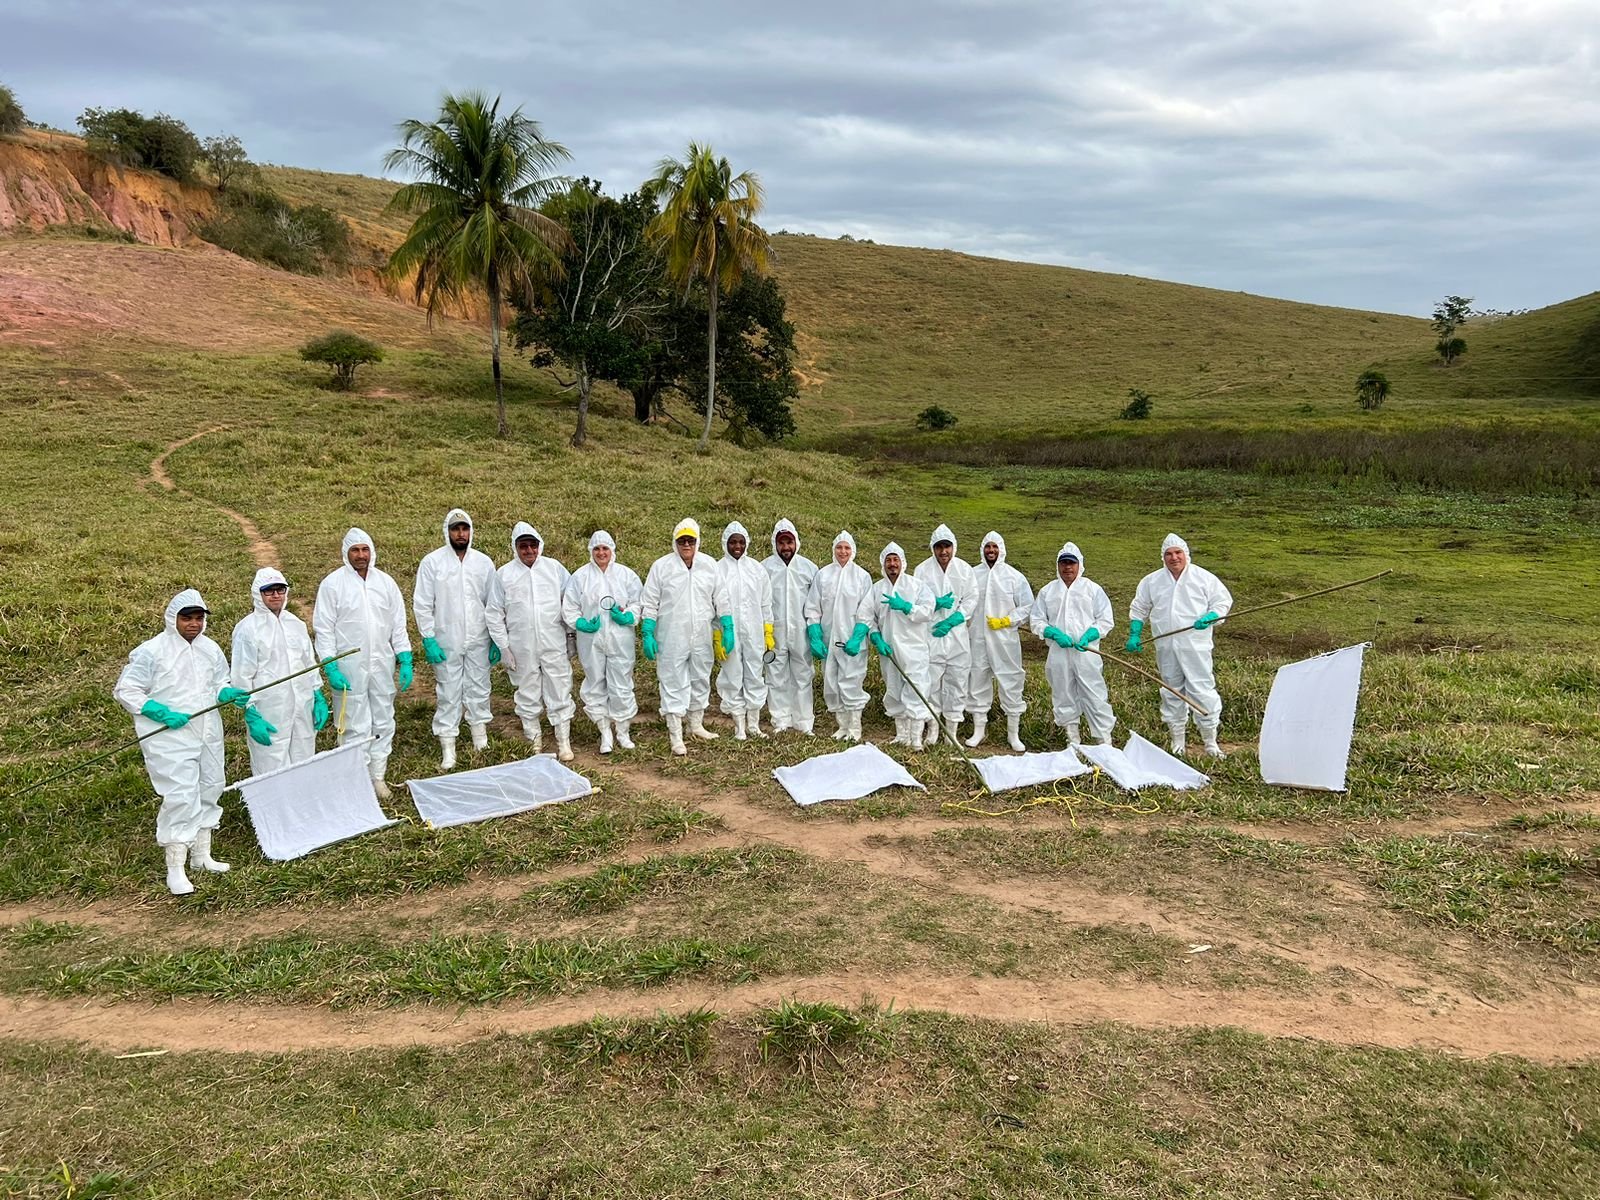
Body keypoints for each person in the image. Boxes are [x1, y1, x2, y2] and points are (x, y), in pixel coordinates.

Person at [113, 589, 250, 895]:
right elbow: (127, 689)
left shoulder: (210, 649)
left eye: (199, 618)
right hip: (170, 736)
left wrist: (225, 693)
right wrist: (157, 710)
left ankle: (202, 856)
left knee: (210, 786)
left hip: (207, 732)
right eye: (187, 618)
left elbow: (218, 682)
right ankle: (175, 867)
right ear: (172, 618)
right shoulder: (152, 651)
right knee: (181, 795)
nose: (193, 624)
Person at [313, 527, 413, 800]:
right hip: (348, 665)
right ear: (346, 553)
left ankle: (377, 776)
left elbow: (397, 625)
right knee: (352, 722)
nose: (360, 555)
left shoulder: (386, 583)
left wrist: (404, 656)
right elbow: (324, 629)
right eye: (355, 550)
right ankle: (355, 780)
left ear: (372, 551)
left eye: (364, 549)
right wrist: (330, 665)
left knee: (383, 718)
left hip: (382, 662)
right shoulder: (332, 585)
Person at [1127, 532, 1234, 756]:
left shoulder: (1203, 578)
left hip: (1195, 645)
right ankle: (1178, 740)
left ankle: (1210, 741)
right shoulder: (1152, 581)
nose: (1174, 558)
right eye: (1169, 554)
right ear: (1163, 557)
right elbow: (1139, 608)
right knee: (1171, 689)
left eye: (1178, 553)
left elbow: (1222, 601)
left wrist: (1211, 616)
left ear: (1186, 554)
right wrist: (1135, 633)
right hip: (1165, 645)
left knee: (1202, 688)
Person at [414, 508, 498, 769]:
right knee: (449, 691)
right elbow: (422, 603)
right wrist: (428, 637)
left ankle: (479, 740)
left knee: (479, 687)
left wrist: (495, 636)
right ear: (447, 531)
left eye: (464, 528)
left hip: (479, 638)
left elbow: (493, 602)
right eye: (455, 529)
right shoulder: (432, 562)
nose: (460, 534)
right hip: (446, 639)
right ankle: (448, 747)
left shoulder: (483, 563)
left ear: (471, 531)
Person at [486, 522, 575, 761]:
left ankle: (563, 741)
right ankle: (533, 740)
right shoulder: (504, 574)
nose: (528, 550)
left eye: (532, 545)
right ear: (515, 547)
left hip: (553, 641)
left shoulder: (554, 569)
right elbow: (494, 612)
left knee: (559, 686)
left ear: (539, 545)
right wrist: (503, 646)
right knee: (527, 690)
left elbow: (570, 601)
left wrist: (570, 636)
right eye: (523, 546)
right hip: (521, 645)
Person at [640, 517, 726, 756]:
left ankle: (695, 724)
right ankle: (675, 734)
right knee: (673, 680)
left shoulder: (709, 565)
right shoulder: (662, 567)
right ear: (675, 542)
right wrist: (647, 630)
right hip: (671, 635)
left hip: (702, 634)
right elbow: (650, 601)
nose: (686, 545)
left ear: (697, 541)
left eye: (690, 540)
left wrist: (726, 626)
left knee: (700, 677)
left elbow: (721, 597)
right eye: (682, 541)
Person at [231, 567, 327, 777]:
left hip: (302, 705)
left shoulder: (296, 624)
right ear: (258, 593)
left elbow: (308, 662)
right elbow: (241, 674)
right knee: (271, 765)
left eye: (280, 589)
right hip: (269, 710)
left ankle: (301, 807)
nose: (275, 595)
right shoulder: (248, 630)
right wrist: (251, 712)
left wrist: (317, 694)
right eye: (269, 590)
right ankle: (272, 809)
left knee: (304, 761)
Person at [848, 541, 936, 749]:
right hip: (889, 649)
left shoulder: (917, 586)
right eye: (888, 560)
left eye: (895, 559)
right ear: (883, 563)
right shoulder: (877, 589)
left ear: (903, 562)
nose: (892, 564)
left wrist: (907, 607)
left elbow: (928, 611)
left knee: (916, 690)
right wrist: (876, 637)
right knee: (894, 689)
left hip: (914, 649)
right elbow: (866, 616)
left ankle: (916, 739)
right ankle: (902, 735)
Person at [562, 530, 642, 754]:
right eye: (596, 549)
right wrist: (580, 623)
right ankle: (605, 732)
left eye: (605, 548)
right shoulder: (580, 577)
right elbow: (569, 607)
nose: (601, 553)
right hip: (591, 640)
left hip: (620, 640)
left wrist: (629, 616)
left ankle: (623, 731)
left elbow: (638, 602)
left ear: (612, 550)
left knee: (622, 684)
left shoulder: (626, 575)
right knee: (595, 682)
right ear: (591, 551)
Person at [1030, 542, 1116, 746]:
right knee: (1063, 692)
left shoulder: (1092, 589)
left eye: (1071, 563)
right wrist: (1051, 631)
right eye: (1064, 563)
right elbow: (1036, 620)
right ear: (1058, 565)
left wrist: (1091, 634)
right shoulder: (1048, 591)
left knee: (1093, 691)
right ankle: (1073, 739)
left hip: (1086, 651)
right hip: (1059, 652)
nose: (1067, 567)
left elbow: (1105, 619)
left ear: (1079, 565)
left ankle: (1103, 739)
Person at [967, 531, 1034, 751]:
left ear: (1002, 549)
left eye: (995, 547)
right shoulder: (973, 574)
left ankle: (1013, 734)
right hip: (977, 638)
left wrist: (1007, 620)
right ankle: (979, 731)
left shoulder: (1014, 576)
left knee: (1011, 680)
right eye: (987, 547)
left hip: (1005, 640)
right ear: (982, 550)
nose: (991, 551)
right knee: (977, 679)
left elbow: (1027, 606)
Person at [804, 531, 873, 742]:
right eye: (839, 548)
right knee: (831, 682)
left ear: (853, 551)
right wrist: (814, 633)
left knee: (851, 681)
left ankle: (855, 727)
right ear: (834, 550)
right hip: (828, 640)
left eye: (847, 548)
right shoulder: (823, 575)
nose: (843, 552)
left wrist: (858, 634)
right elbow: (813, 606)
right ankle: (842, 726)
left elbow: (867, 609)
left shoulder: (862, 576)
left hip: (852, 640)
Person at [913, 523, 977, 749]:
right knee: (930, 683)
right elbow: (916, 598)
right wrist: (934, 605)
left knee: (957, 682)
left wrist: (954, 619)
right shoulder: (922, 570)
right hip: (931, 634)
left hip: (957, 636)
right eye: (939, 547)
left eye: (947, 546)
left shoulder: (964, 570)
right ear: (933, 548)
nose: (943, 551)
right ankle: (933, 728)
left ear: (954, 547)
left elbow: (971, 598)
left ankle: (952, 733)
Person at [714, 520, 775, 740]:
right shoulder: (717, 569)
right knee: (732, 675)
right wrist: (717, 634)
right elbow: (712, 604)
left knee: (754, 675)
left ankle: (754, 725)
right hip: (728, 633)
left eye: (741, 542)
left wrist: (768, 631)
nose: (737, 546)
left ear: (746, 543)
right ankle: (739, 725)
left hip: (754, 633)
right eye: (733, 542)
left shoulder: (757, 569)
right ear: (725, 544)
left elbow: (766, 603)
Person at [763, 518, 819, 735]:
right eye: (782, 543)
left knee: (803, 675)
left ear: (796, 542)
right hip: (775, 632)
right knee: (776, 675)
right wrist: (765, 630)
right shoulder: (765, 568)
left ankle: (804, 722)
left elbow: (816, 602)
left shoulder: (809, 568)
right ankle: (780, 720)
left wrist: (815, 630)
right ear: (775, 544)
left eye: (789, 542)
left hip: (801, 632)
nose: (786, 547)